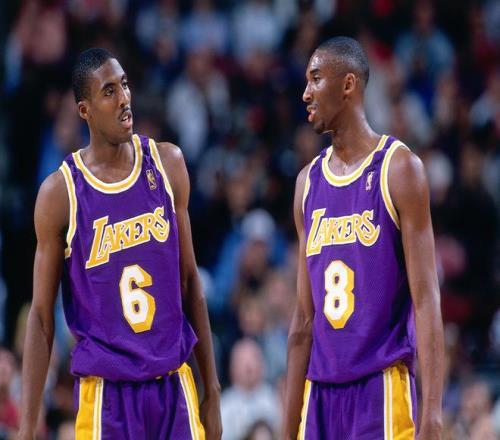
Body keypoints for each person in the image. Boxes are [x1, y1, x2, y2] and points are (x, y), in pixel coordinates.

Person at [18, 48, 222, 439]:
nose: (124, 98)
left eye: (124, 85)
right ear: (84, 110)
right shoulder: (61, 194)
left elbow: (190, 281)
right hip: (107, 397)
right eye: (109, 91)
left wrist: (210, 388)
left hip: (172, 386)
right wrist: (27, 427)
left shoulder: (168, 164)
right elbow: (41, 318)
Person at [284, 37, 444, 439]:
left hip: (380, 390)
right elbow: (303, 321)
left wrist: (432, 414)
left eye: (315, 78)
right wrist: (287, 429)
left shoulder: (399, 169)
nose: (305, 93)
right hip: (320, 396)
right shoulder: (307, 184)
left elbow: (426, 299)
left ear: (348, 84)